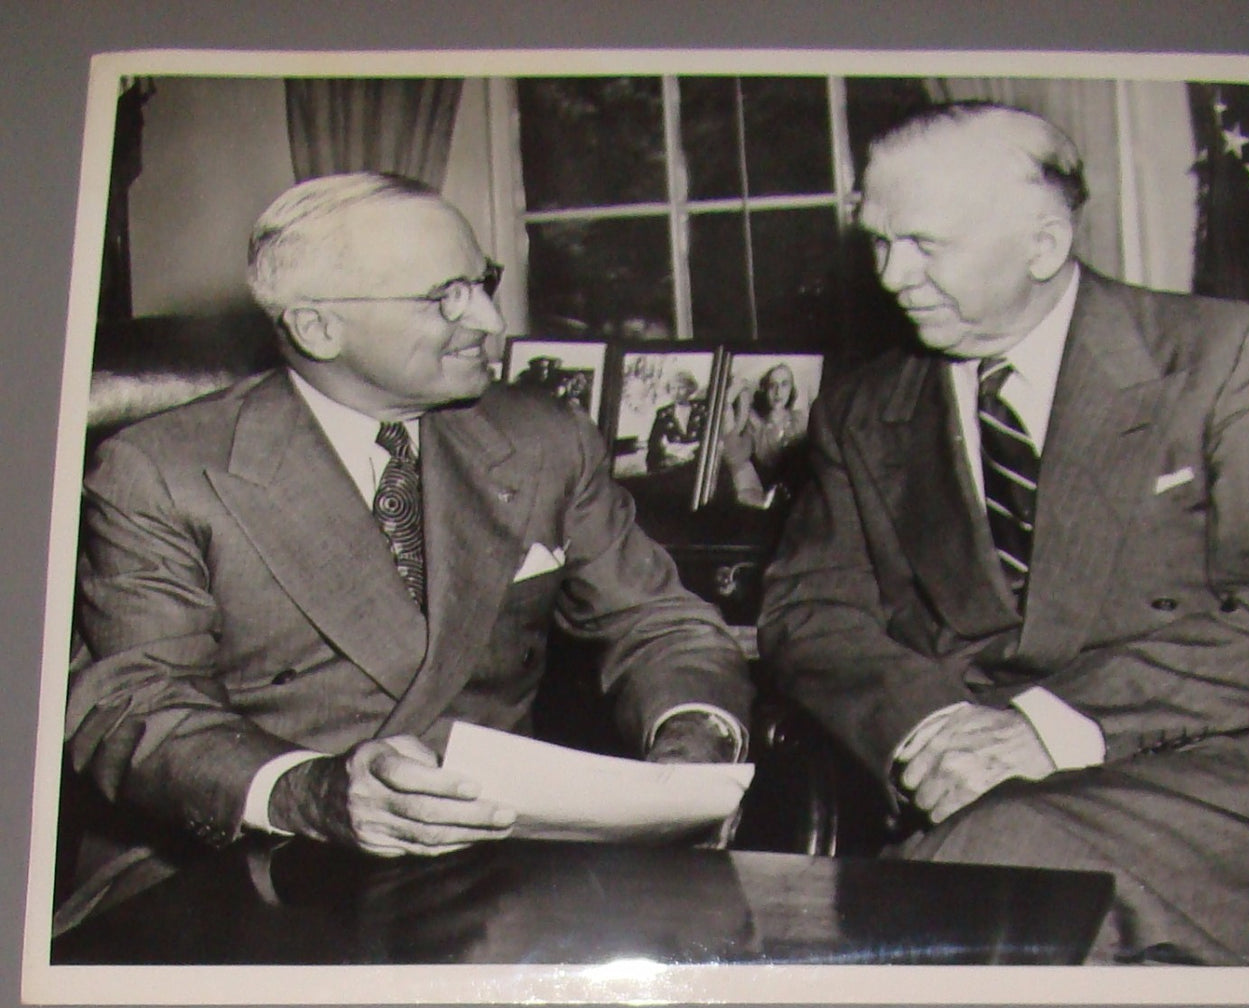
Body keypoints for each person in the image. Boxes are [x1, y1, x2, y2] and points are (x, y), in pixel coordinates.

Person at [60, 172, 753, 931]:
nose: (490, 320)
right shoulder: (159, 469)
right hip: (239, 866)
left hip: (493, 867)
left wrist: (692, 743)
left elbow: (661, 625)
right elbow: (134, 704)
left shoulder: (541, 438)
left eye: (482, 283)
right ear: (318, 327)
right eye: (443, 297)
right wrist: (313, 793)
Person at [758, 102, 1249, 965]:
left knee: (938, 899)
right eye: (878, 243)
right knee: (947, 889)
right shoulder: (862, 408)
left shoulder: (1227, 356)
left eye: (924, 244)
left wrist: (1045, 726)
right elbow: (810, 612)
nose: (891, 277)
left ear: (1042, 245)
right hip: (966, 787)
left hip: (1215, 780)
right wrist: (931, 733)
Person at [720, 363, 809, 509]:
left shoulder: (801, 420)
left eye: (784, 385)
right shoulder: (756, 425)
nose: (778, 391)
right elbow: (736, 457)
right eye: (772, 385)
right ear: (765, 390)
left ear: (791, 389)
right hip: (765, 500)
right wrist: (728, 403)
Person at [645, 369, 707, 473]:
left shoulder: (701, 410)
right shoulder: (663, 413)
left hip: (698, 463)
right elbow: (653, 443)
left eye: (681, 388)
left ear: (690, 389)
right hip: (674, 463)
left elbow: (709, 438)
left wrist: (695, 453)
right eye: (673, 388)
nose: (676, 392)